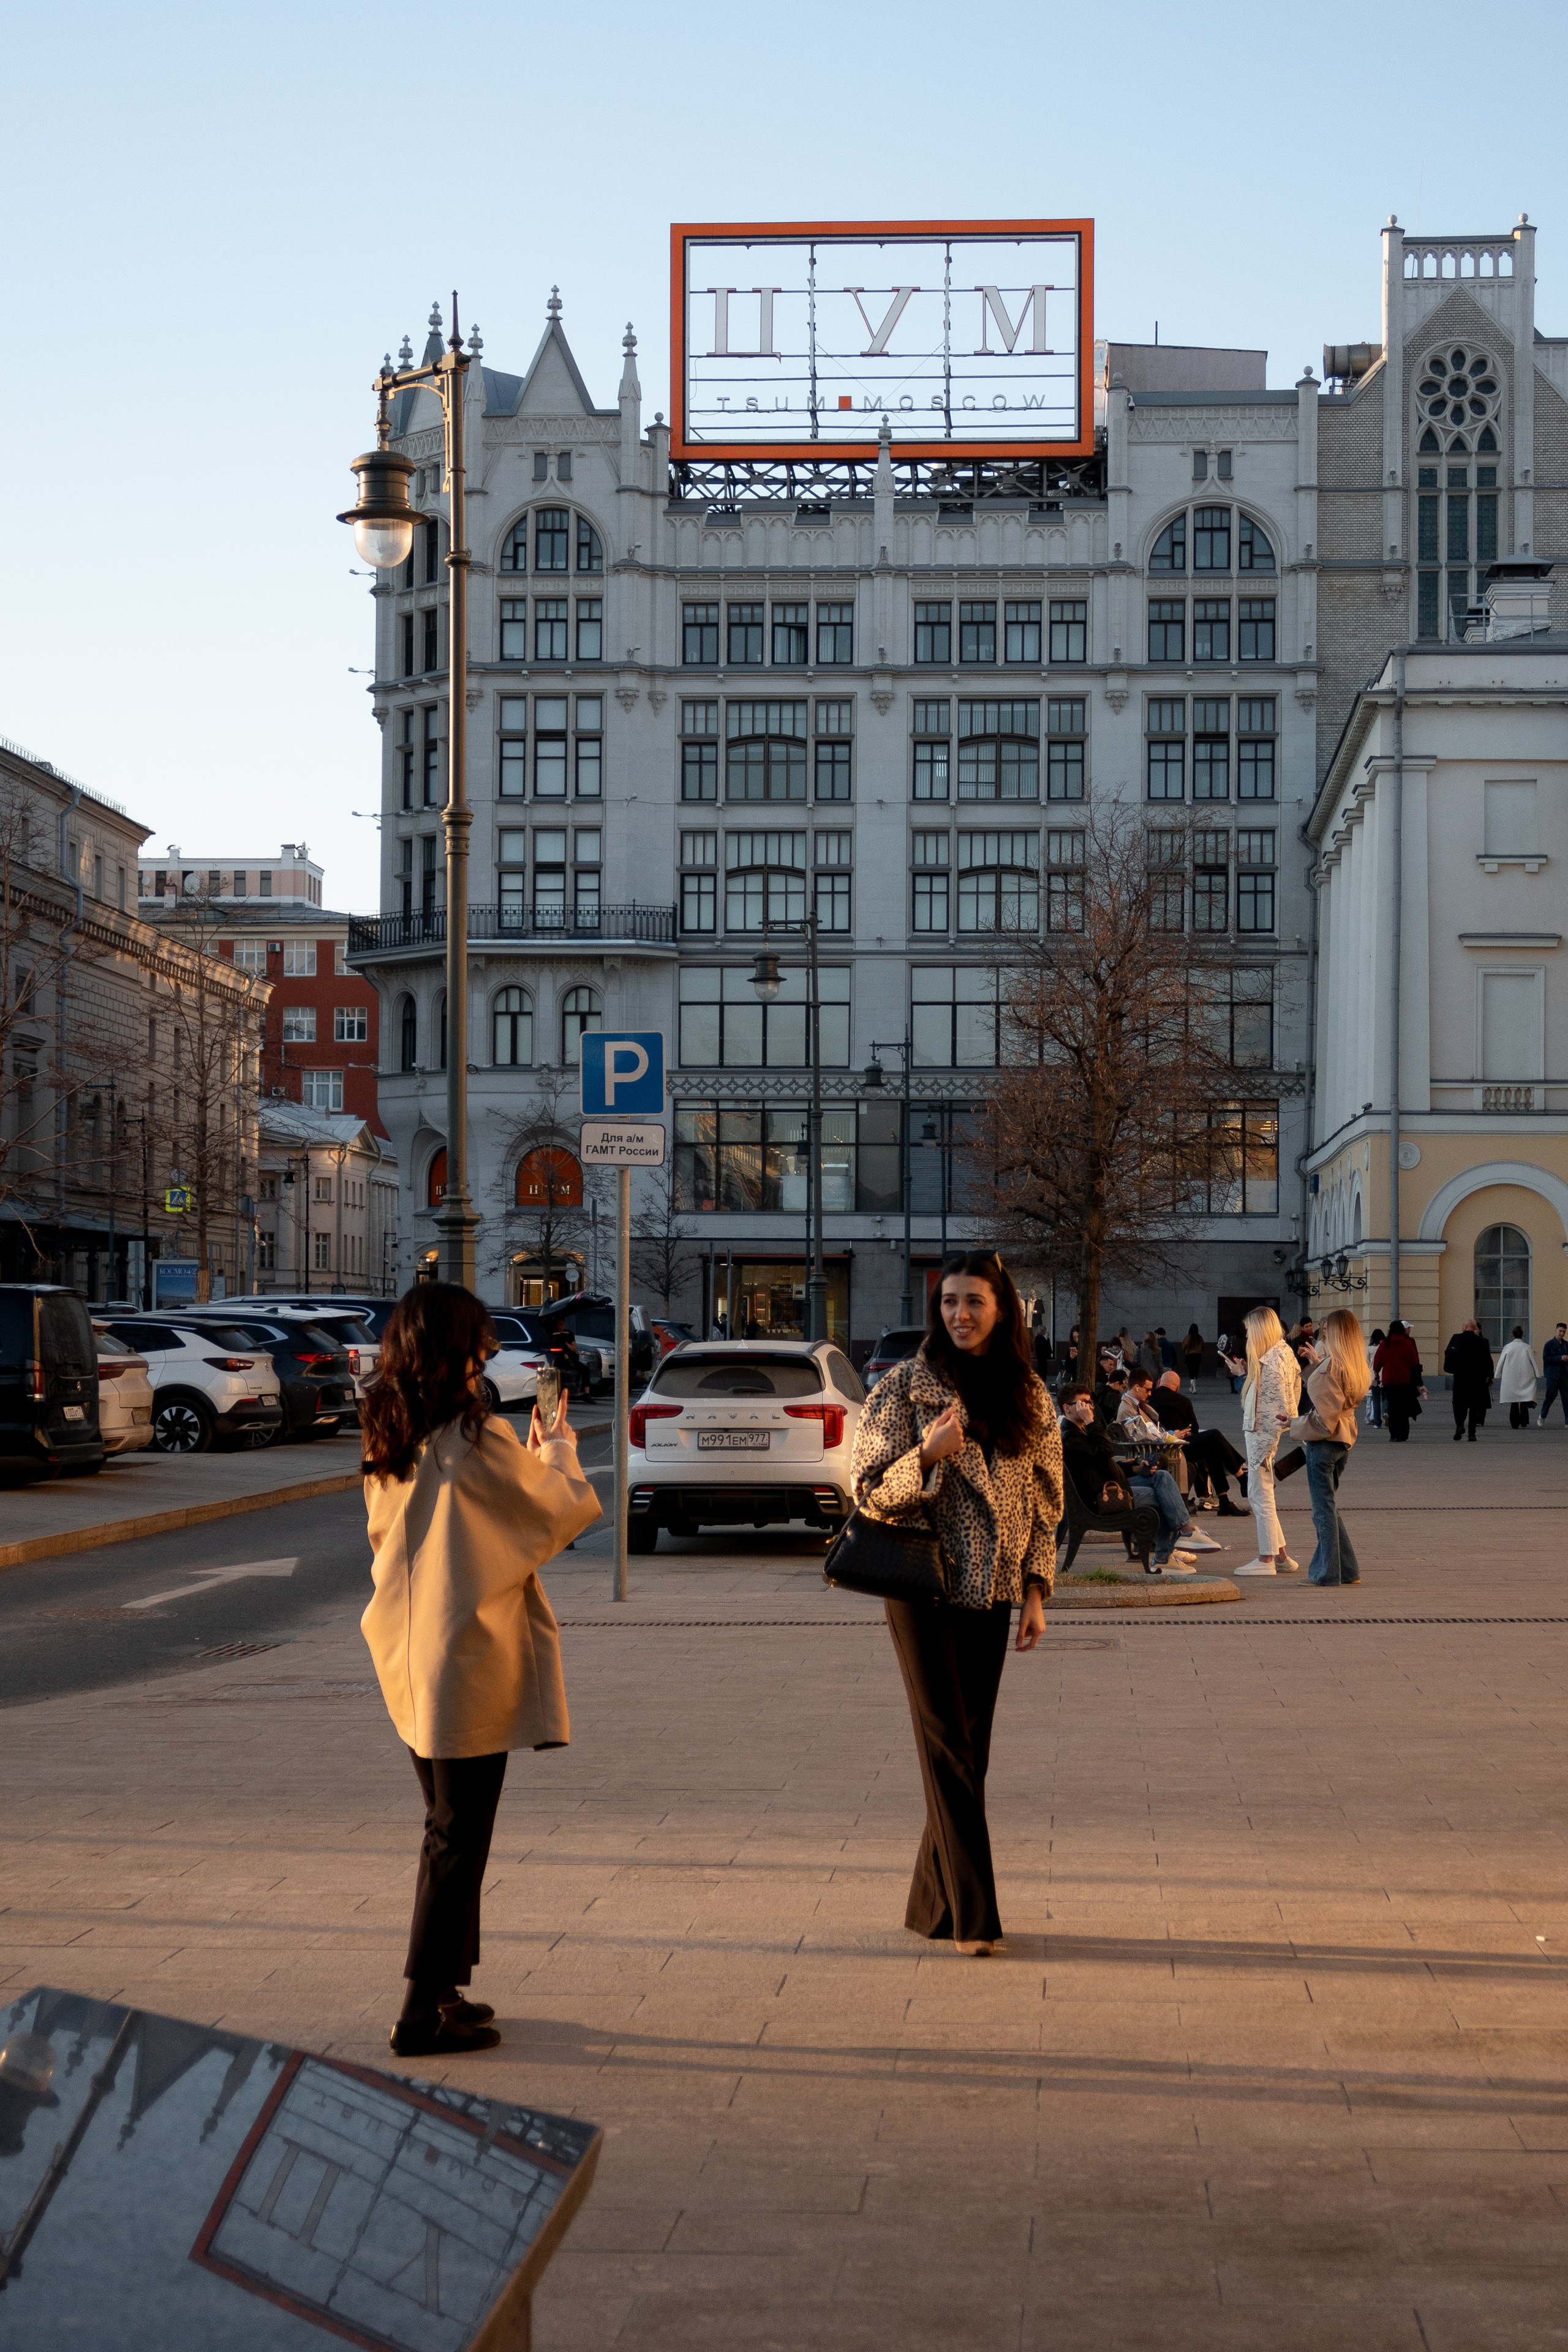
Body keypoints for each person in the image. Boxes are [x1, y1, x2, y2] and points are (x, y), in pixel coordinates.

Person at [360, 1283, 601, 2057]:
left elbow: (454, 1518)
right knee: (457, 1837)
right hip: (464, 1654)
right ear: (454, 1348)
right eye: (480, 1342)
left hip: (408, 1648)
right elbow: (552, 1510)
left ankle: (446, 1989)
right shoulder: (477, 1433)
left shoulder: (392, 1425)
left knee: (447, 1825)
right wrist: (557, 1445)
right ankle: (418, 2010)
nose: (489, 1353)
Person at [851, 1251, 1061, 1957]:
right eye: (948, 1302)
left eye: (973, 1301)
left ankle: (931, 1905)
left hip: (994, 1588)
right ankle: (976, 1917)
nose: (959, 1315)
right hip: (921, 1586)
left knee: (972, 1749)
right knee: (946, 1741)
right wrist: (928, 1456)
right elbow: (867, 1490)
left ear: (1002, 1309)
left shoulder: (1026, 1392)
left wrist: (1036, 1588)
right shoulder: (901, 1388)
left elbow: (1044, 1500)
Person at [1060, 1387, 1199, 1574]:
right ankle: (1167, 1553)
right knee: (1163, 1496)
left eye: (1090, 1403)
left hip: (1110, 1486)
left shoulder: (1081, 1431)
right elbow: (1106, 1451)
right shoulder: (1070, 1437)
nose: (1089, 1408)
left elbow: (1103, 1462)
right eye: (1083, 1403)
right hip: (1101, 1498)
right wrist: (1091, 1422)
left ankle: (1184, 1531)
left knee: (1161, 1476)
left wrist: (1134, 1468)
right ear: (1067, 1408)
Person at [1289, 1306, 1371, 1586]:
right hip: (1344, 1440)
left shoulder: (1331, 1367)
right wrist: (1315, 1364)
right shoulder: (1355, 1364)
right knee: (1329, 1507)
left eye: (1326, 1331)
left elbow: (1324, 1419)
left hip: (1325, 1444)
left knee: (1322, 1510)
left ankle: (1327, 1572)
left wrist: (1293, 1424)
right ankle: (1348, 1570)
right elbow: (1333, 1393)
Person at [1224, 1305, 1301, 1577]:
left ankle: (1266, 1558)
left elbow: (1277, 1398)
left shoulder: (1272, 1358)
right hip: (1267, 1431)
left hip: (1262, 1433)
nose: (1248, 1338)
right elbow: (1288, 1395)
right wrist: (1244, 1375)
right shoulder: (1282, 1353)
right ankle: (1281, 1556)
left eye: (1250, 1332)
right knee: (1263, 1492)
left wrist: (1244, 1377)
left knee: (1260, 1495)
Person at [1115, 1372, 1223, 1557]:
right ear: (1137, 1387)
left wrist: (1171, 1434)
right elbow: (1143, 1437)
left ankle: (1177, 1541)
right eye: (1147, 1389)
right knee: (1166, 1479)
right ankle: (1179, 1539)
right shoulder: (1127, 1409)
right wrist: (1170, 1436)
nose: (1151, 1393)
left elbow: (1152, 1431)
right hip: (1146, 1461)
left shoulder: (1140, 1406)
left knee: (1183, 1470)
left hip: (1150, 1460)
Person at [1151, 1369, 1250, 1515]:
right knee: (1214, 1436)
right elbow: (1195, 1429)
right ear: (1177, 1388)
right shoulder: (1183, 1401)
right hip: (1178, 1448)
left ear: (1159, 1383)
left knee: (1212, 1448)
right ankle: (1241, 1477)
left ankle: (1224, 1501)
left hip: (1157, 1448)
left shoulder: (1149, 1398)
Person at [1443, 1319, 1494, 1442]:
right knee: (1474, 1406)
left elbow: (1448, 1353)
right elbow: (1488, 1360)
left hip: (1460, 1377)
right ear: (1475, 1328)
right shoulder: (1482, 1342)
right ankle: (1472, 1434)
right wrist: (1490, 1376)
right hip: (1477, 1378)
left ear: (1465, 1327)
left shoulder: (1456, 1338)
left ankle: (1460, 1425)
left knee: (1458, 1403)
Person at [1373, 1320, 1422, 1442]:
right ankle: (1404, 1434)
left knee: (1393, 1408)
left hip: (1389, 1381)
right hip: (1404, 1381)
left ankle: (1394, 1435)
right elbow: (1415, 1362)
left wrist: (1377, 1372)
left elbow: (1377, 1361)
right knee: (1403, 1408)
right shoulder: (1407, 1344)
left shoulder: (1385, 1344)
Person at [1496, 1325, 1540, 1429]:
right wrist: (1538, 1374)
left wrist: (1497, 1374)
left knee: (1514, 1401)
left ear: (1513, 1335)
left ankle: (1514, 1423)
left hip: (1511, 1377)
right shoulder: (1527, 1347)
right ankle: (1524, 1421)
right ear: (1522, 1335)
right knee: (1524, 1398)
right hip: (1526, 1376)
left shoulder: (1508, 1347)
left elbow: (1501, 1361)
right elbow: (1533, 1362)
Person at [1541, 1324, 1568, 1425]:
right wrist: (1559, 1358)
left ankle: (1567, 1421)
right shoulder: (1549, 1344)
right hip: (1552, 1375)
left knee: (1566, 1398)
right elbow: (1546, 1359)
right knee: (1550, 1397)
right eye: (1560, 1331)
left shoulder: (1566, 1345)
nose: (1562, 1334)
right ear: (1556, 1331)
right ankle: (1543, 1416)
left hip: (1564, 1375)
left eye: (1564, 1332)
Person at [1366, 1327, 1387, 1429]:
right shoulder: (1385, 1347)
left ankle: (1377, 1422)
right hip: (1385, 1376)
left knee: (1375, 1399)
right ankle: (1386, 1412)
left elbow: (1366, 1361)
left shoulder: (1370, 1348)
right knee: (1386, 1397)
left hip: (1374, 1376)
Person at [1181, 1324, 1205, 1393]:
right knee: (1196, 1371)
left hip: (1189, 1355)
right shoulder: (1200, 1338)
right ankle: (1193, 1388)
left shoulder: (1188, 1337)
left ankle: (1194, 1389)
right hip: (1198, 1355)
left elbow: (1184, 1346)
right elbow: (1203, 1346)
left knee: (1191, 1371)